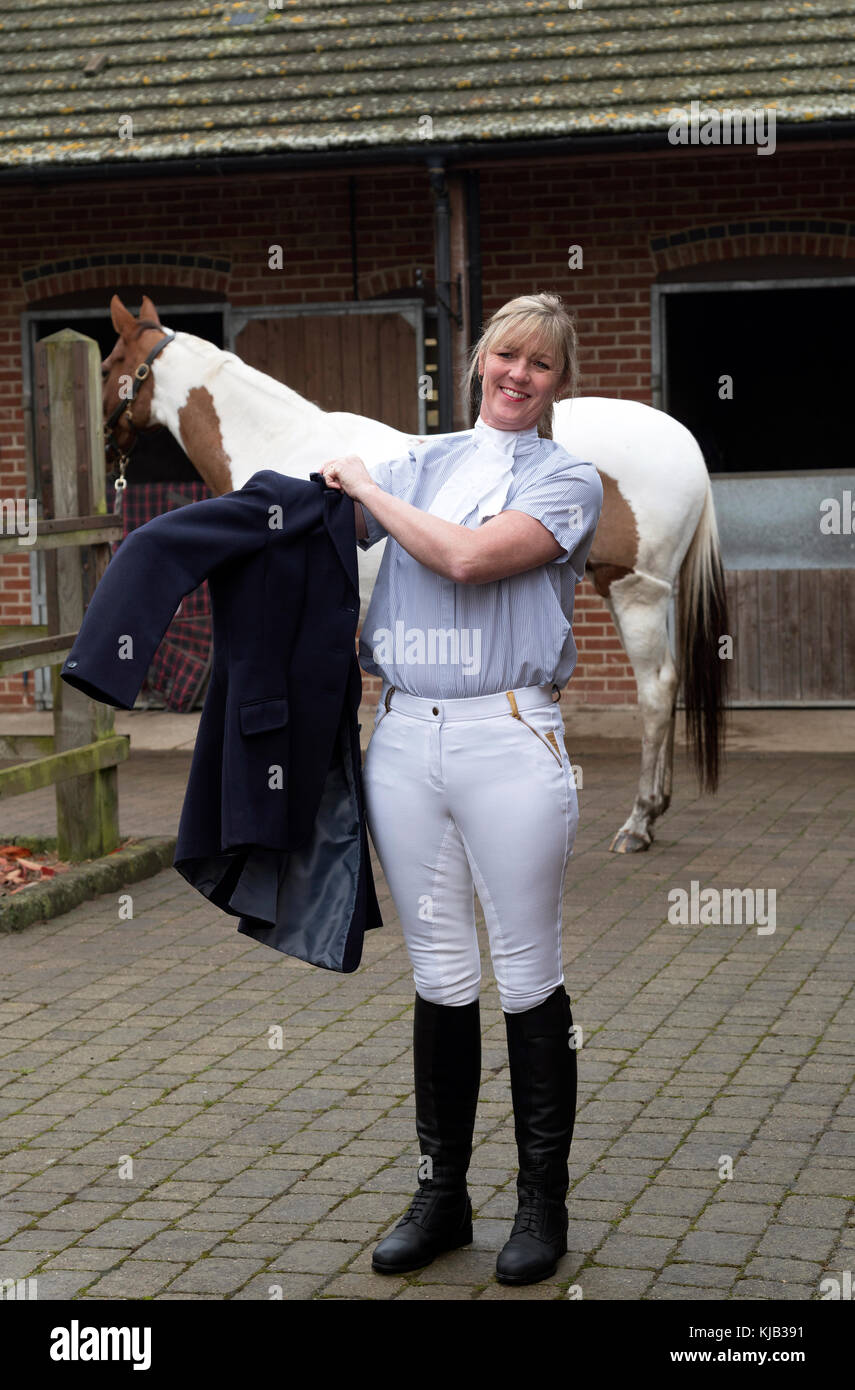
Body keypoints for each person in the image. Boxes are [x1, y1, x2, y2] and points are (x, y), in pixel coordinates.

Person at [318, 291, 603, 1286]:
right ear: (478, 359)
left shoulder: (568, 479)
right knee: (439, 974)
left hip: (509, 735)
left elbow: (472, 558)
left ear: (559, 382)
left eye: (541, 364)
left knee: (527, 971)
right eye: (505, 355)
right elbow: (313, 519)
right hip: (401, 734)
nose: (518, 374)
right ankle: (441, 1196)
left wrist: (367, 484)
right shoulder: (421, 457)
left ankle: (542, 1203)